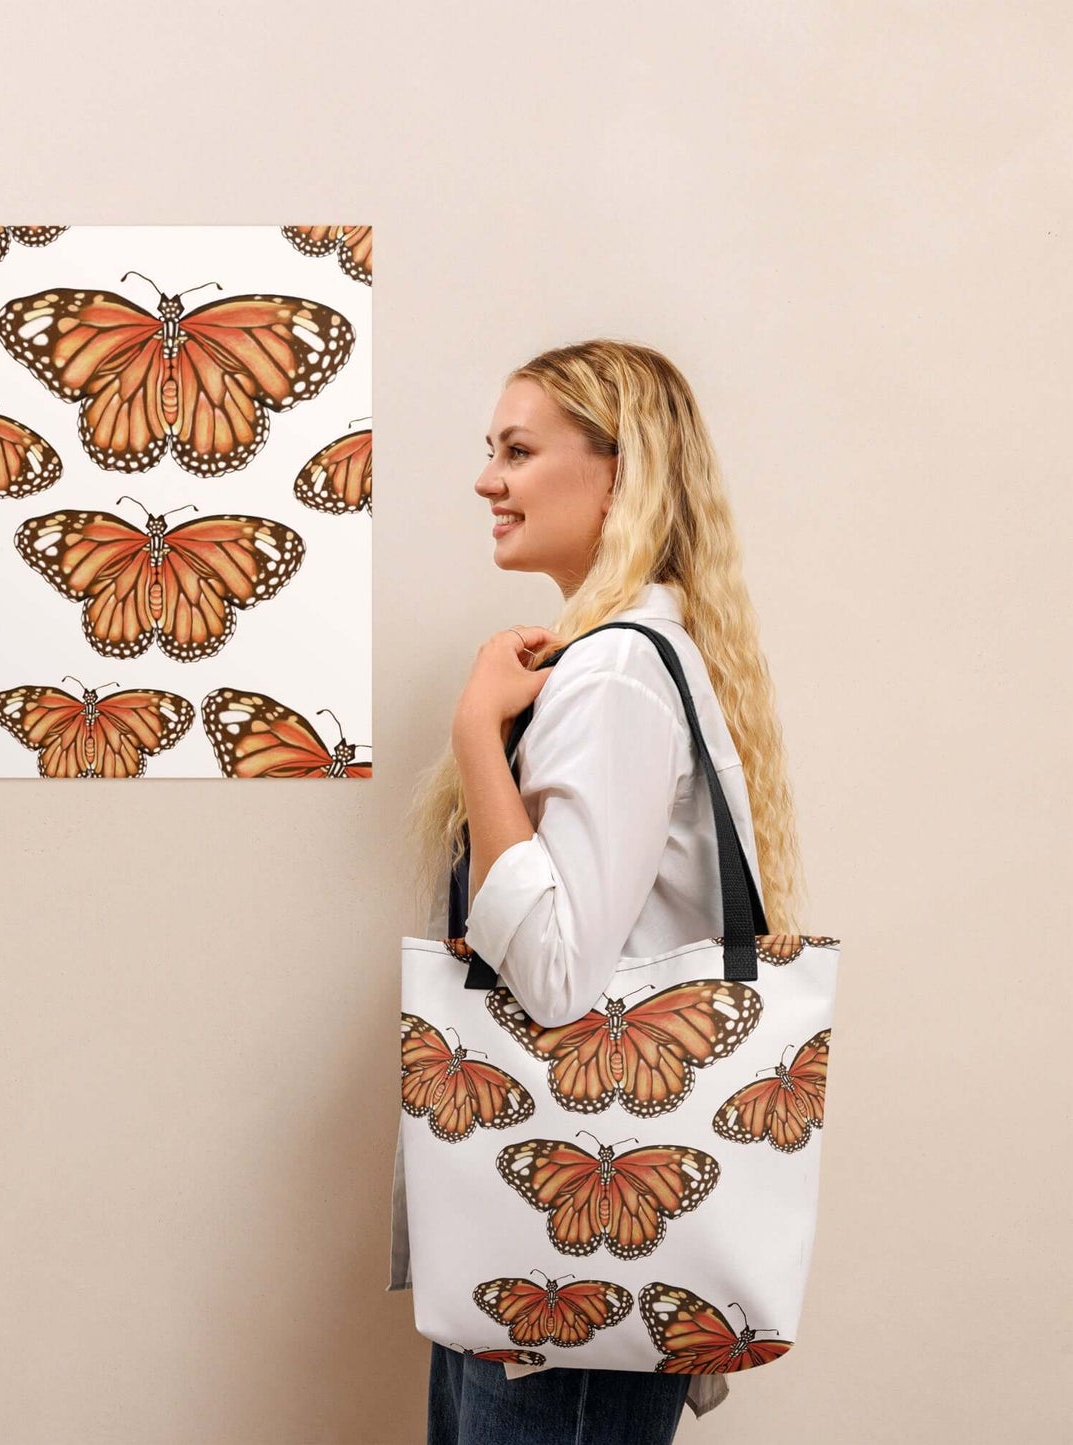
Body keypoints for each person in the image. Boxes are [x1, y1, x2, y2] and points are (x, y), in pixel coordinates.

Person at [390, 340, 812, 1443]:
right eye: (489, 451)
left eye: (518, 450)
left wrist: (477, 731)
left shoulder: (614, 667)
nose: (487, 478)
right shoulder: (636, 651)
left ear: (618, 472)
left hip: (559, 1286)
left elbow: (558, 979)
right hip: (563, 1262)